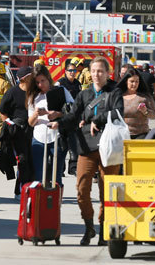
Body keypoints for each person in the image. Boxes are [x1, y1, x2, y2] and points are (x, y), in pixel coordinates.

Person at [61, 56, 123, 246]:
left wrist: (98, 119)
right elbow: (73, 116)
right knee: (81, 189)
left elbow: (119, 112)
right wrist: (57, 122)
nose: (96, 74)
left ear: (107, 73)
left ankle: (104, 229)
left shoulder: (115, 92)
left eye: (100, 71)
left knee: (107, 192)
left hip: (109, 148)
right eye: (93, 71)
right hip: (86, 147)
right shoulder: (84, 94)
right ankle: (89, 227)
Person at [27, 65, 71, 186]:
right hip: (38, 138)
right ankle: (40, 202)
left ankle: (56, 202)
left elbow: (73, 111)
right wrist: (36, 114)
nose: (41, 85)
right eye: (37, 82)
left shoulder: (61, 90)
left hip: (57, 137)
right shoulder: (33, 96)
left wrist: (57, 114)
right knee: (39, 175)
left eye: (43, 81)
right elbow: (30, 123)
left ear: (48, 78)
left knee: (56, 176)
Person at [0, 66, 34, 198]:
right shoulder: (12, 92)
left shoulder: (34, 92)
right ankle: (19, 191)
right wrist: (10, 124)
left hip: (32, 130)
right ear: (24, 79)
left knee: (32, 160)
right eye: (31, 76)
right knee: (22, 161)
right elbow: (3, 112)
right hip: (17, 131)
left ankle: (30, 187)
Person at [56, 61, 82, 175]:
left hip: (74, 118)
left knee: (74, 144)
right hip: (62, 117)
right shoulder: (60, 83)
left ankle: (73, 168)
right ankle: (60, 169)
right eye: (70, 71)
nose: (72, 73)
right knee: (62, 145)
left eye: (74, 71)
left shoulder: (77, 83)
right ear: (65, 72)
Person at [118, 67, 155, 139]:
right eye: (132, 81)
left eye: (137, 81)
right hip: (122, 135)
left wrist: (145, 111)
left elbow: (153, 115)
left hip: (141, 135)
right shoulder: (118, 97)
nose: (134, 84)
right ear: (126, 81)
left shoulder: (144, 97)